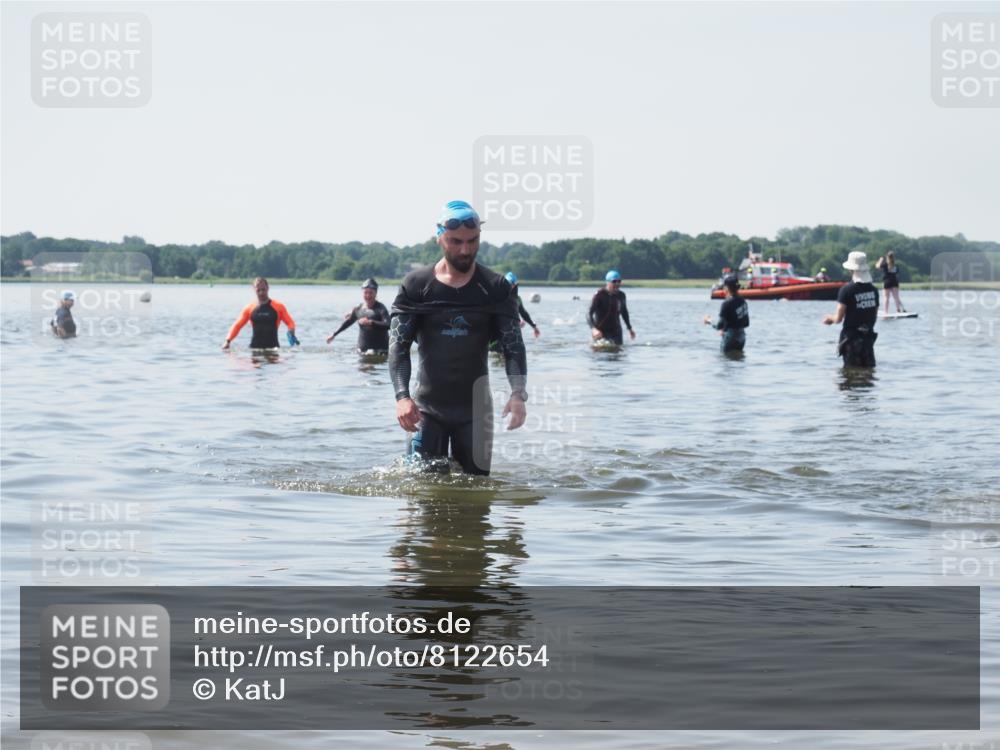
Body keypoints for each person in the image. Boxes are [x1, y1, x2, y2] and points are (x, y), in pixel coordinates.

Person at [389, 200, 528, 476]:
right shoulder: (417, 286)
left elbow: (513, 347)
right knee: (422, 493)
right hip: (426, 410)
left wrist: (518, 393)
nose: (465, 250)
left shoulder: (496, 287)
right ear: (439, 236)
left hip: (475, 413)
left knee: (476, 494)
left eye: (472, 241)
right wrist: (402, 397)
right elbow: (398, 347)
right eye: (456, 242)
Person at [823, 251, 879, 367]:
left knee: (849, 377)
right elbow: (874, 315)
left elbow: (838, 318)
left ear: (850, 270)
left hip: (851, 341)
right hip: (868, 340)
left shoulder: (847, 290)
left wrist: (829, 318)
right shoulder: (874, 290)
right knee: (868, 377)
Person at [222, 277, 299, 350]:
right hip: (254, 349)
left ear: (268, 288)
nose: (261, 293)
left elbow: (290, 322)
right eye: (258, 290)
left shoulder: (278, 307)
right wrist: (227, 341)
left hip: (273, 349)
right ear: (254, 290)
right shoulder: (249, 308)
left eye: (263, 289)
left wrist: (291, 330)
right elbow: (237, 326)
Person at [326, 278, 390, 352]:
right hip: (362, 351)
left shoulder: (381, 308)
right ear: (362, 293)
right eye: (365, 292)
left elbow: (388, 324)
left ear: (376, 293)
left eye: (371, 293)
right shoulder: (358, 309)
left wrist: (371, 322)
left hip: (381, 350)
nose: (368, 295)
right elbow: (348, 322)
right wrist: (334, 334)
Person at [489, 272, 540, 353]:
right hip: (496, 336)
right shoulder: (496, 296)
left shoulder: (517, 299)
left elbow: (524, 314)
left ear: (515, 285)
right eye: (508, 283)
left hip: (510, 335)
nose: (510, 286)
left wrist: (534, 326)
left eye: (512, 284)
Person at [703, 273, 749, 351]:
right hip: (742, 338)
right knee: (738, 360)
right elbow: (746, 323)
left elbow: (719, 325)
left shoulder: (726, 303)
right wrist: (725, 329)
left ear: (726, 288)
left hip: (730, 339)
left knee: (725, 360)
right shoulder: (743, 301)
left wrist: (708, 321)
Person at [588, 270, 635, 345]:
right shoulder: (599, 295)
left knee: (618, 353)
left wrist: (629, 328)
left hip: (616, 331)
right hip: (600, 331)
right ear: (608, 282)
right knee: (598, 353)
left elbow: (624, 312)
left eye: (619, 281)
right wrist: (594, 329)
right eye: (614, 281)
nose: (617, 284)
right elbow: (588, 314)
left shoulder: (621, 295)